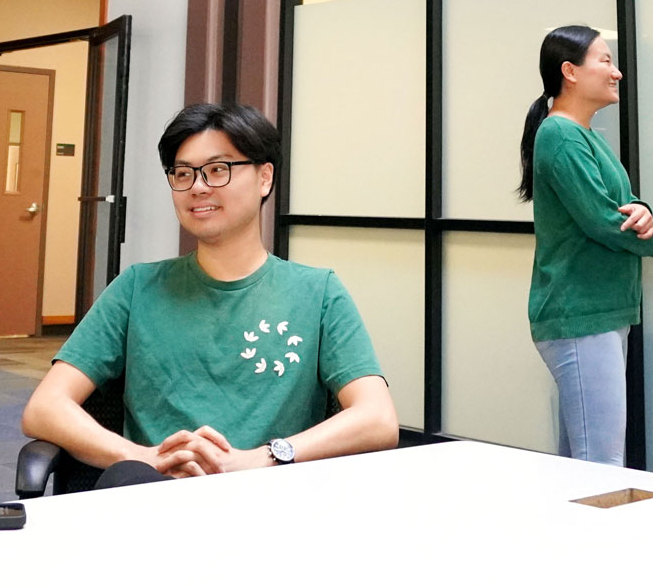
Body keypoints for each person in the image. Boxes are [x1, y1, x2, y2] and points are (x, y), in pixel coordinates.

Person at [21, 103, 398, 486]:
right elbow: (45, 408)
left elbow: (378, 418)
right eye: (183, 173)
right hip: (156, 497)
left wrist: (264, 457)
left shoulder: (317, 292)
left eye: (218, 170)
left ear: (264, 178)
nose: (198, 186)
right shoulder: (137, 287)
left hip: (269, 499)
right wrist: (141, 457)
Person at [519, 25, 653, 466]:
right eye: (605, 61)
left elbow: (625, 209)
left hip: (596, 313)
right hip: (580, 315)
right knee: (599, 464)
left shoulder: (585, 136)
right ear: (570, 72)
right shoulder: (560, 134)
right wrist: (652, 233)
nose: (617, 73)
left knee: (583, 462)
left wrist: (644, 215)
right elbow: (605, 222)